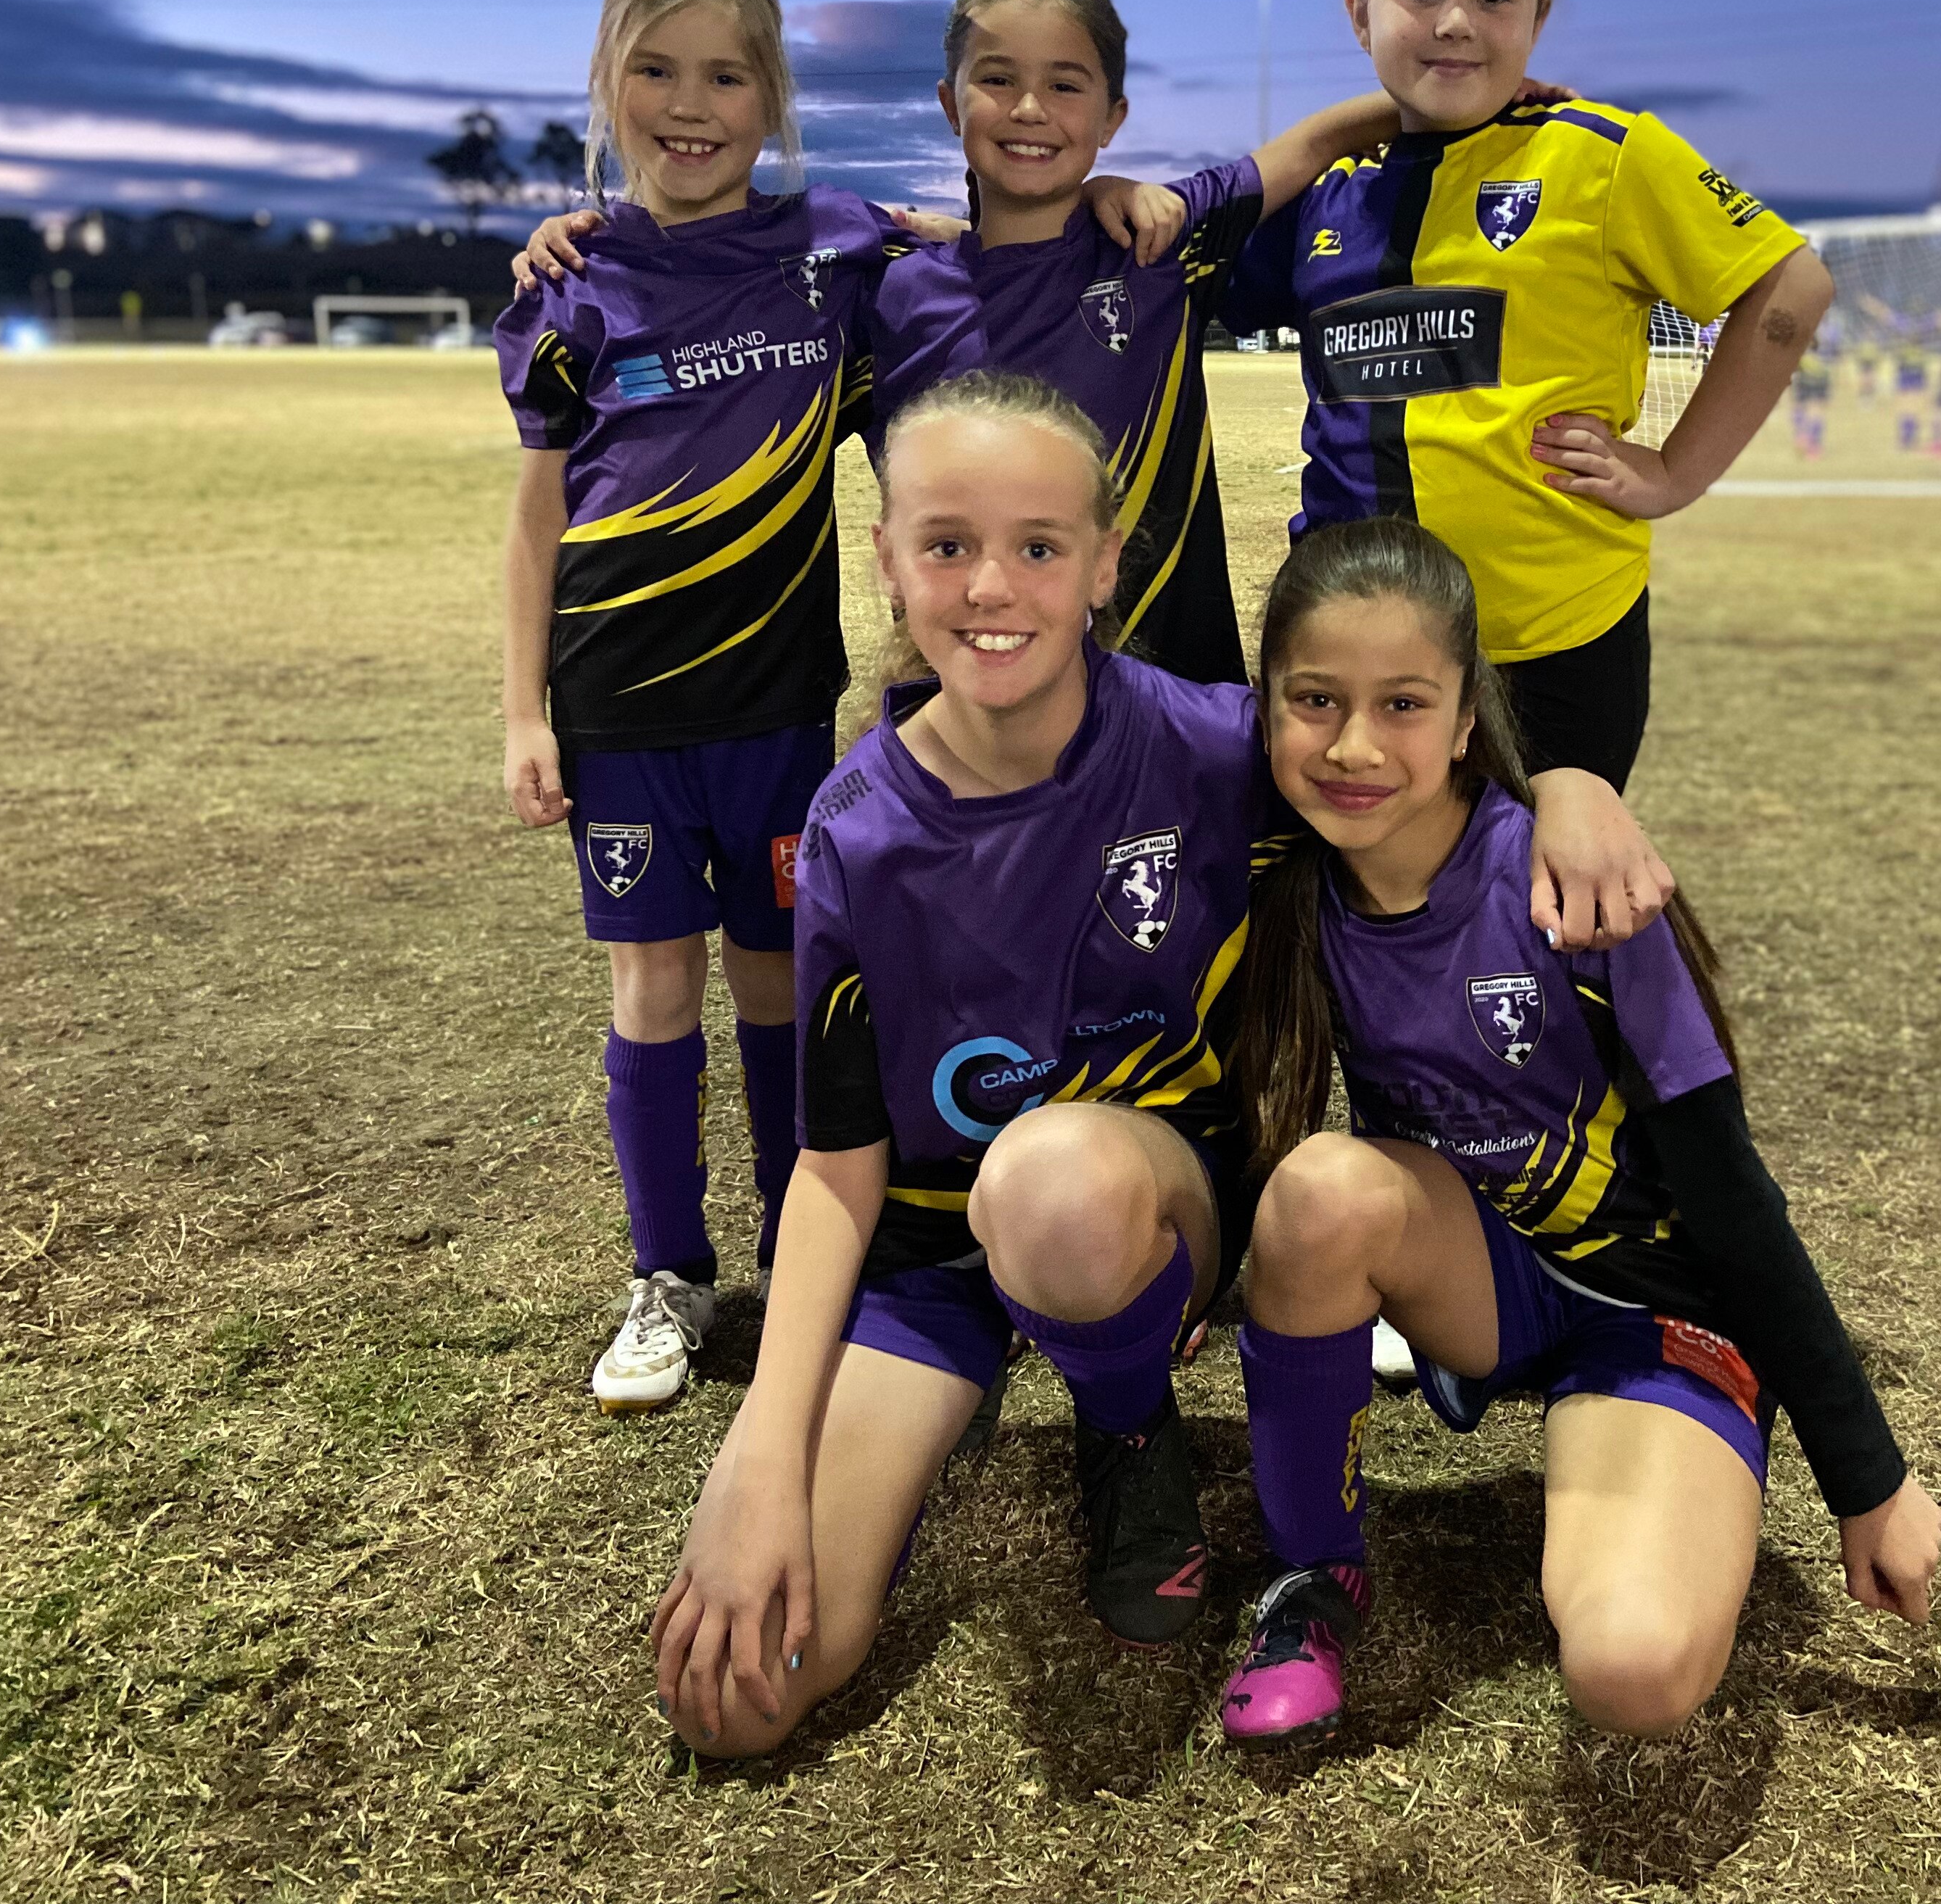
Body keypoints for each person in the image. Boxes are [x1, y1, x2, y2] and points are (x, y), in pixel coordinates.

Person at [645, 373, 1676, 1755]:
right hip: (935, 1266)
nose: (991, 585)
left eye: (1039, 545)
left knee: (1053, 1176)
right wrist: (761, 1456)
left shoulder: (1209, 750)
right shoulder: (852, 831)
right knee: (740, 1697)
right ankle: (993, 1380)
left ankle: (1130, 1428)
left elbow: (1397, 763)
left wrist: (1569, 785)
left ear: (1104, 566)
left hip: (1142, 1215)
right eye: (946, 544)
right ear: (886, 562)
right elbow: (836, 1164)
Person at [1215, 515, 1941, 1747]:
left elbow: (1732, 1193)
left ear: (1461, 721)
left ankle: (1665, 1463)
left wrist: (1866, 1476)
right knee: (1319, 1191)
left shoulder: (1577, 889)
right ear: (1267, 710)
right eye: (1314, 699)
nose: (1352, 745)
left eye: (1402, 705)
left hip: (1659, 1318)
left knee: (1632, 1673)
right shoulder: (1286, 875)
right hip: (1486, 1285)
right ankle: (1311, 1585)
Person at [523, 0, 1473, 691]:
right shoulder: (882, 295)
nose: (1030, 109)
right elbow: (719, 304)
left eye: (1066, 85)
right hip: (971, 720)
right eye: (998, 80)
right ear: (950, 105)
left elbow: (1313, 142)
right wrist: (597, 243)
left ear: (1113, 116)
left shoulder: (1160, 241)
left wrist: (1470, 91)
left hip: (1174, 711)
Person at [496, 0, 887, 1415]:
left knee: (781, 988)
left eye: (727, 73)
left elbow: (964, 254)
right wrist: (526, 713)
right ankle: (669, 1273)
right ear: (605, 81)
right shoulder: (567, 292)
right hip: (621, 721)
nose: (691, 101)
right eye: (655, 69)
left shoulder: (832, 255)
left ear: (772, 94)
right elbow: (537, 529)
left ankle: (801, 1262)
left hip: (779, 718)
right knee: (651, 990)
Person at [1220, 0, 1839, 788]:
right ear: (1359, 12)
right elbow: (1172, 263)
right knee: (1344, 917)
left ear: (1539, 19)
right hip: (1347, 649)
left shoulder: (1600, 157)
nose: (1458, 21)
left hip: (1553, 643)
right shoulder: (1328, 194)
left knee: (1539, 914)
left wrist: (1674, 472)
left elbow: (1791, 288)